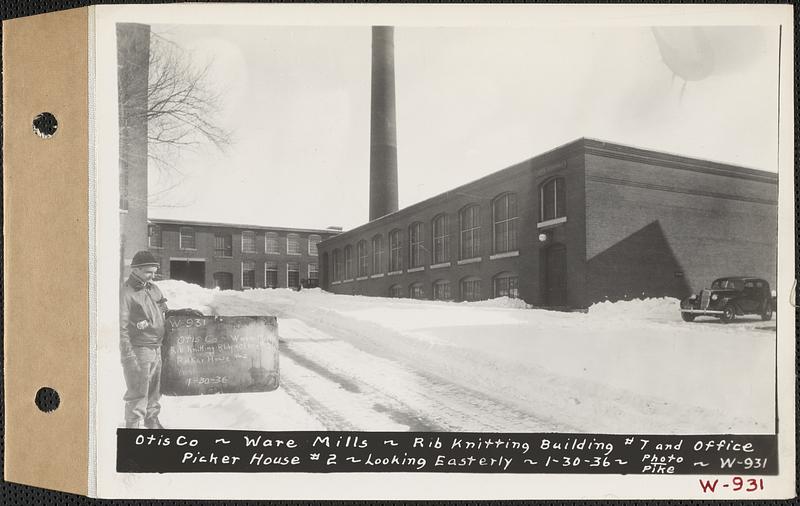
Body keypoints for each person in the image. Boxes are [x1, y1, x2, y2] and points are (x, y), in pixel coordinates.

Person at [120, 250, 168, 429]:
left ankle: (152, 421)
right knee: (138, 391)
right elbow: (121, 327)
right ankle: (132, 429)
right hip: (139, 349)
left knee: (154, 390)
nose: (153, 275)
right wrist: (128, 356)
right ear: (136, 270)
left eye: (154, 271)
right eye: (149, 272)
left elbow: (164, 311)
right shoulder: (126, 292)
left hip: (156, 347)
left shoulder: (153, 288)